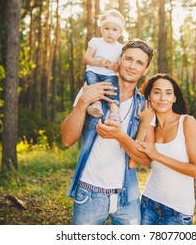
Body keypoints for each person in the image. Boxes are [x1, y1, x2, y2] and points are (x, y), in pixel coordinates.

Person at [61, 39, 154, 225]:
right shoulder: (93, 90)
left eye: (139, 63)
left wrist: (120, 136)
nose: (132, 66)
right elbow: (66, 140)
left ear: (145, 70)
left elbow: (146, 159)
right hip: (88, 194)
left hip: (128, 199)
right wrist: (82, 103)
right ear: (119, 59)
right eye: (128, 59)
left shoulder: (145, 106)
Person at [136, 73, 196, 225]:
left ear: (174, 98)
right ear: (149, 97)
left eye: (168, 93)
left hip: (177, 212)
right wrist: (145, 122)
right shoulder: (151, 127)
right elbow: (141, 158)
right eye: (157, 92)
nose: (162, 98)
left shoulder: (187, 122)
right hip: (149, 203)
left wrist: (158, 156)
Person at [83, 9, 126, 123]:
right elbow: (86, 58)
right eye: (106, 29)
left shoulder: (120, 48)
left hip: (109, 74)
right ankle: (96, 104)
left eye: (114, 29)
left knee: (113, 90)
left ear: (120, 32)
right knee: (91, 81)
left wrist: (113, 66)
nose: (110, 32)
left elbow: (120, 68)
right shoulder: (96, 42)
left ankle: (114, 113)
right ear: (101, 29)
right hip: (94, 71)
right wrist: (98, 62)